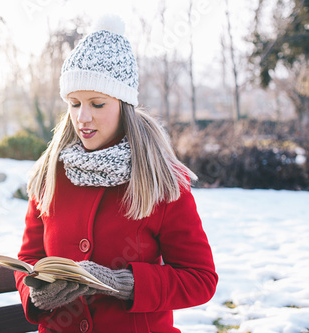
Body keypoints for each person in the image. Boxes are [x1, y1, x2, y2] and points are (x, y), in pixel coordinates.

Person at [14, 15, 218, 333]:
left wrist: (126, 284)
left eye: (97, 104)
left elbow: (200, 278)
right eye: (74, 103)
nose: (82, 117)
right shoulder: (50, 175)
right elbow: (29, 256)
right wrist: (36, 293)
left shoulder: (162, 181)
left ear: (123, 105)